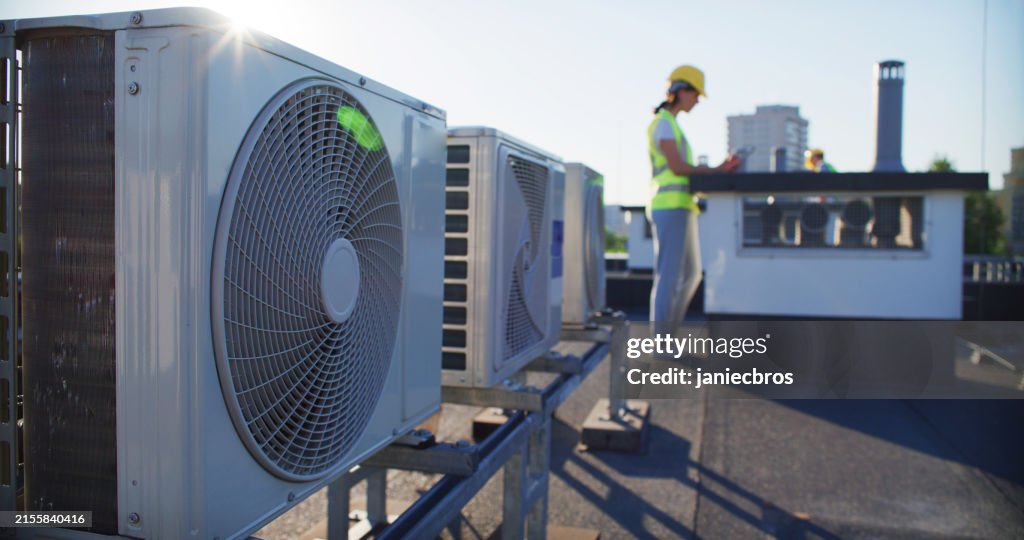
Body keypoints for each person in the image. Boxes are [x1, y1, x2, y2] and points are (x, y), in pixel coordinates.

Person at [648, 65, 740, 333]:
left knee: (691, 275)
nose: (697, 100)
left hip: (682, 207)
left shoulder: (671, 124)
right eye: (695, 94)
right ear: (681, 91)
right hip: (669, 207)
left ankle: (667, 336)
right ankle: (662, 341)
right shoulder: (663, 123)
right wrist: (718, 170)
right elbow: (677, 167)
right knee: (670, 277)